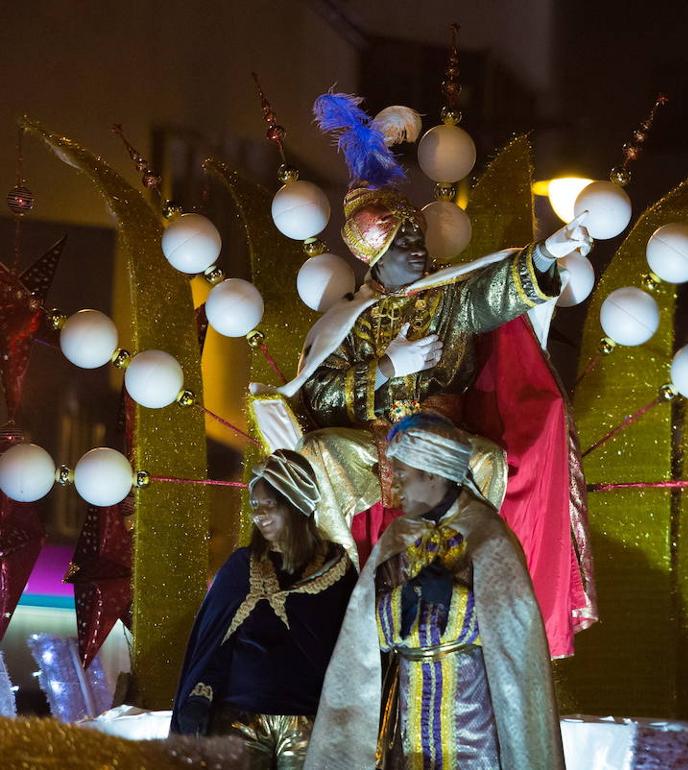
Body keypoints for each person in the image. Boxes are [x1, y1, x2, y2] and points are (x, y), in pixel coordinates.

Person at [257, 91, 597, 658]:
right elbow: (319, 389)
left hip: (437, 441)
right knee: (314, 457)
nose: (417, 250)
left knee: (488, 462)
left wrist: (545, 256)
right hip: (370, 446)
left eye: (417, 238)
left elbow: (490, 298)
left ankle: (474, 580)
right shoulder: (346, 319)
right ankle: (336, 586)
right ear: (375, 257)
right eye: (402, 243)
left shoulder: (444, 301)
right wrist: (388, 368)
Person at [305, 412, 564, 770]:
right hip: (407, 718)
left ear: (432, 474)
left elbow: (512, 633)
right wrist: (408, 598)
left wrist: (451, 599)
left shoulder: (488, 535)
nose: (394, 489)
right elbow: (367, 631)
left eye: (403, 477)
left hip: (471, 721)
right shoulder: (397, 538)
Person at [171, 450, 356, 770]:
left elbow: (352, 651)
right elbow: (214, 645)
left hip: (309, 723)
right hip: (239, 721)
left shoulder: (337, 570)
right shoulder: (241, 567)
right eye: (255, 506)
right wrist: (199, 699)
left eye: (270, 505)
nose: (260, 515)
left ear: (297, 505)